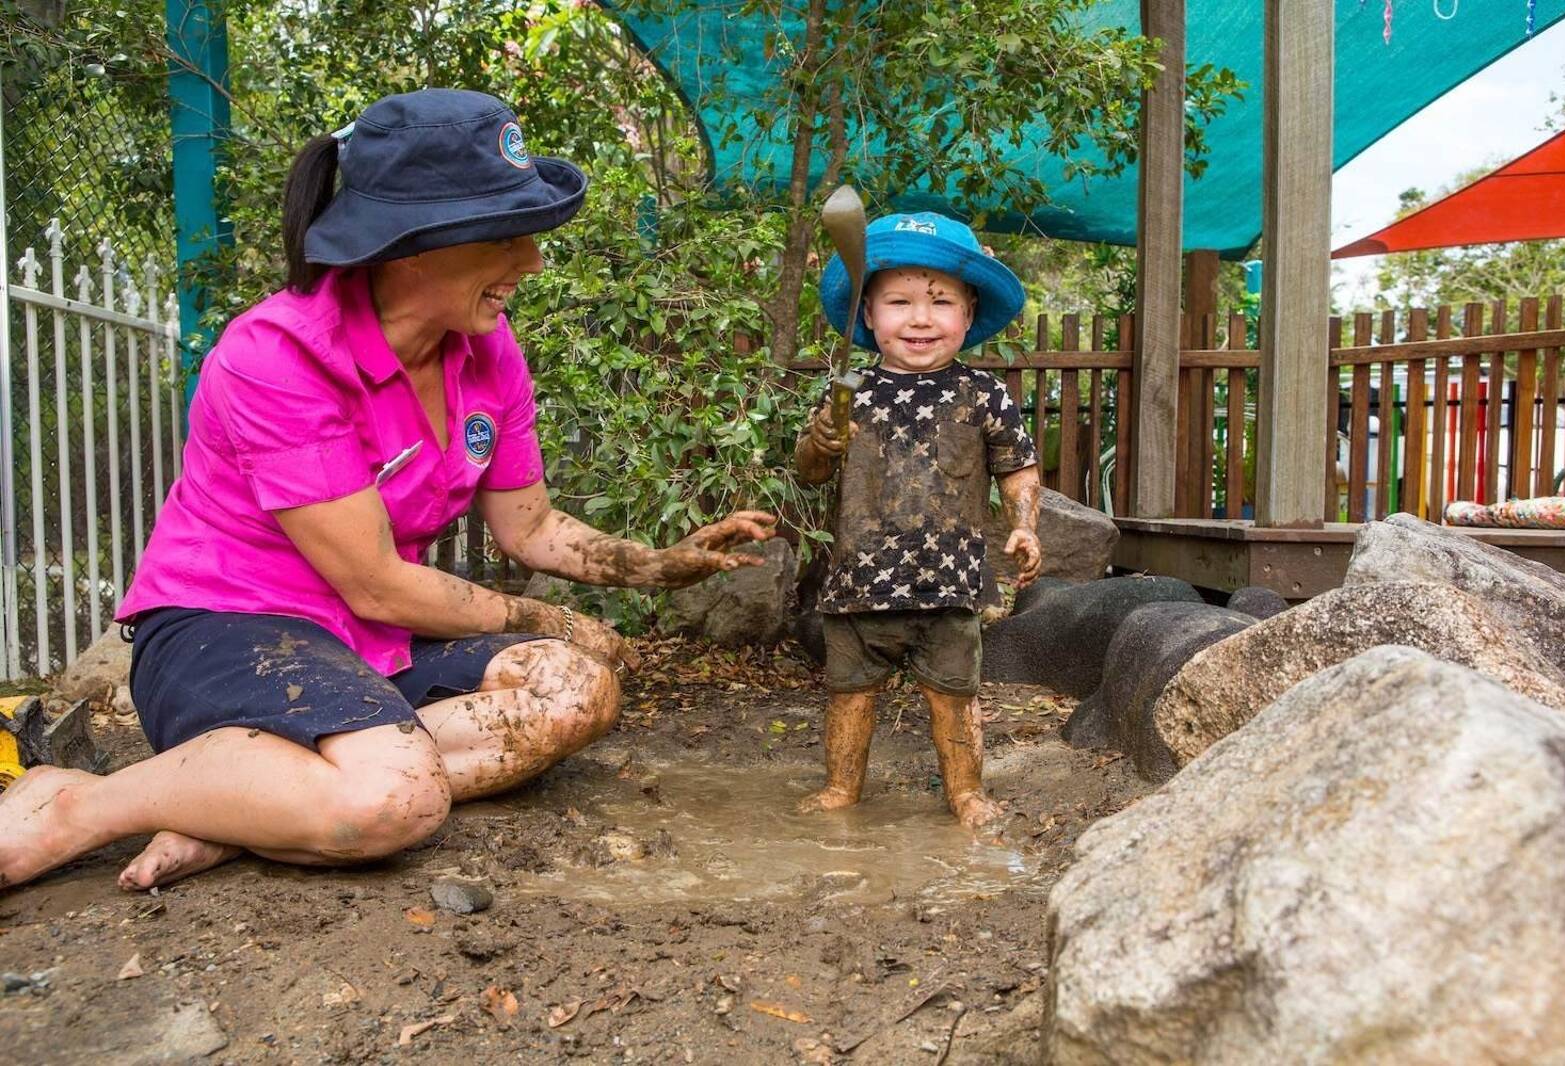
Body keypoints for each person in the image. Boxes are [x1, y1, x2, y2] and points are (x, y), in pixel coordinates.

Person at [0, 88, 775, 892]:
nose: (532, 262)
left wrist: (656, 565)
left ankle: (243, 805)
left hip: (370, 642)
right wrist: (552, 615)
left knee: (577, 688)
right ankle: (78, 805)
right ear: (414, 246)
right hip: (231, 627)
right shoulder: (278, 355)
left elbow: (531, 524)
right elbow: (373, 581)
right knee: (393, 800)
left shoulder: (485, 348)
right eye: (507, 237)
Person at [794, 212, 1041, 831]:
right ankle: (841, 787)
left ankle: (966, 791)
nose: (921, 319)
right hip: (857, 582)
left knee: (955, 699)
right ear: (868, 315)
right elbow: (811, 473)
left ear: (969, 312)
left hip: (951, 584)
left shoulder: (984, 394)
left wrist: (1024, 524)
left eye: (941, 301)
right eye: (898, 302)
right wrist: (821, 441)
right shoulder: (849, 392)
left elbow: (1018, 468)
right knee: (849, 694)